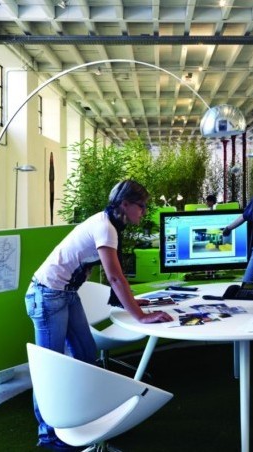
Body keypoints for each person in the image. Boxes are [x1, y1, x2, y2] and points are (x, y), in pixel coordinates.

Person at [25, 180, 173, 451]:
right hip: (46, 295)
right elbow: (115, 277)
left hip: (66, 293)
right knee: (50, 369)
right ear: (125, 204)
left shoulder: (109, 224)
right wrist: (140, 316)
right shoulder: (106, 228)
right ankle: (48, 435)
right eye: (141, 206)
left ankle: (86, 418)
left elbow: (112, 275)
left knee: (86, 355)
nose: (144, 211)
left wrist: (131, 302)